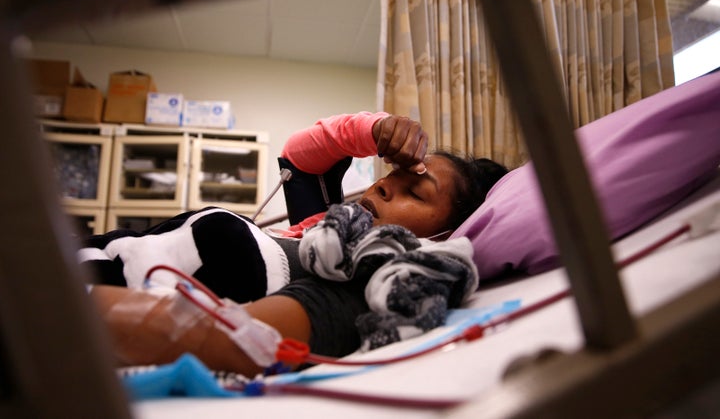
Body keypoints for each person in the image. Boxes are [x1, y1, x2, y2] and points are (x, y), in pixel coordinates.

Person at [84, 111, 508, 377]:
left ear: (444, 238)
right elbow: (301, 155)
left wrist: (49, 304)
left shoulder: (368, 278)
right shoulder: (319, 229)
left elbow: (216, 336)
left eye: (415, 193)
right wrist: (376, 129)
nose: (379, 189)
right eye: (386, 178)